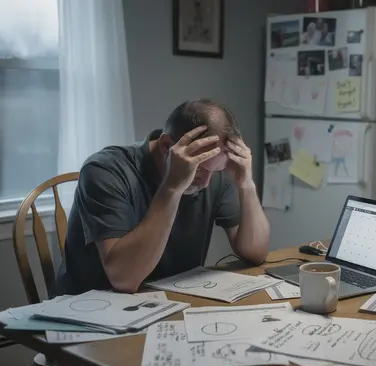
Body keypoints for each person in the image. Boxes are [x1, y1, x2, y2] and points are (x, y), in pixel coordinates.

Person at [52, 100, 270, 295]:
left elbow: (256, 253)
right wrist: (172, 188)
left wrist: (246, 184)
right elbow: (124, 279)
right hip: (89, 308)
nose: (206, 183)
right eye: (199, 171)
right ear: (167, 146)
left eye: (216, 171)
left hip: (167, 299)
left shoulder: (213, 173)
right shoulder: (104, 171)